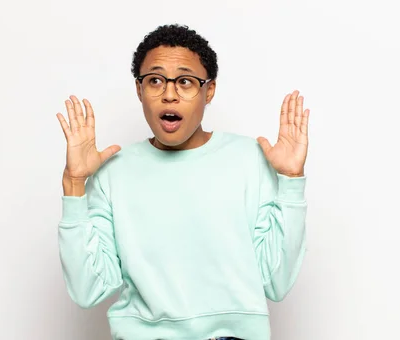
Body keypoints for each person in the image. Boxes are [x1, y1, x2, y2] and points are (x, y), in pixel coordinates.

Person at [55, 24, 310, 340]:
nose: (170, 93)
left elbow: (276, 281)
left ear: (209, 91)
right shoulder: (113, 172)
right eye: (155, 81)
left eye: (186, 81)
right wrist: (75, 184)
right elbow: (87, 289)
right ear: (140, 90)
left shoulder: (251, 159)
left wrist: (291, 181)